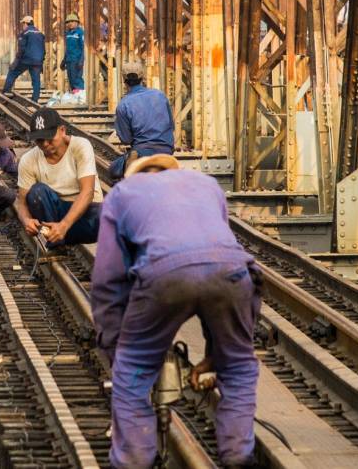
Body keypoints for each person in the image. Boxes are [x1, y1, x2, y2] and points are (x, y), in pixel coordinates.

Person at [92, 154, 260, 468]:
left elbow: (109, 278)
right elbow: (211, 258)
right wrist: (215, 352)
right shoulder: (206, 185)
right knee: (237, 365)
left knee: (133, 370)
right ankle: (238, 456)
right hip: (234, 272)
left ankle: (133, 460)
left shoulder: (122, 195)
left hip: (164, 274)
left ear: (136, 176)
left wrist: (116, 344)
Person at [15, 107, 103, 248]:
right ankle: (56, 243)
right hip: (53, 217)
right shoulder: (28, 160)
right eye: (39, 140)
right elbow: (22, 203)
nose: (45, 144)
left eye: (49, 138)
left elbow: (87, 192)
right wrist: (26, 221)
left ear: (62, 130)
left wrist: (64, 225)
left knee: (109, 211)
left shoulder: (80, 146)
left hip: (85, 216)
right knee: (37, 192)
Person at [109, 61, 175, 180]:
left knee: (113, 169)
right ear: (142, 77)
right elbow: (171, 125)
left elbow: (126, 139)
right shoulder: (160, 95)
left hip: (142, 153)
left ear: (124, 80)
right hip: (167, 150)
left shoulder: (123, 105)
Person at [2, 15, 46, 103]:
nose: (23, 25)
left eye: (23, 23)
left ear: (26, 23)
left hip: (26, 59)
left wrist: (16, 61)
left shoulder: (25, 33)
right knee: (36, 79)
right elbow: (44, 49)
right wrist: (41, 61)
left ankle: (6, 90)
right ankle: (35, 99)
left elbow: (21, 48)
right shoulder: (40, 33)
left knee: (12, 71)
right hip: (38, 60)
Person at [61, 12, 85, 92]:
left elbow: (83, 48)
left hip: (76, 60)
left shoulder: (80, 33)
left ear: (77, 22)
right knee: (71, 79)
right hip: (69, 60)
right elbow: (67, 49)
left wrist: (81, 61)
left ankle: (80, 95)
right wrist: (63, 61)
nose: (70, 23)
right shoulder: (68, 34)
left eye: (72, 21)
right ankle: (74, 95)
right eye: (68, 22)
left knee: (77, 79)